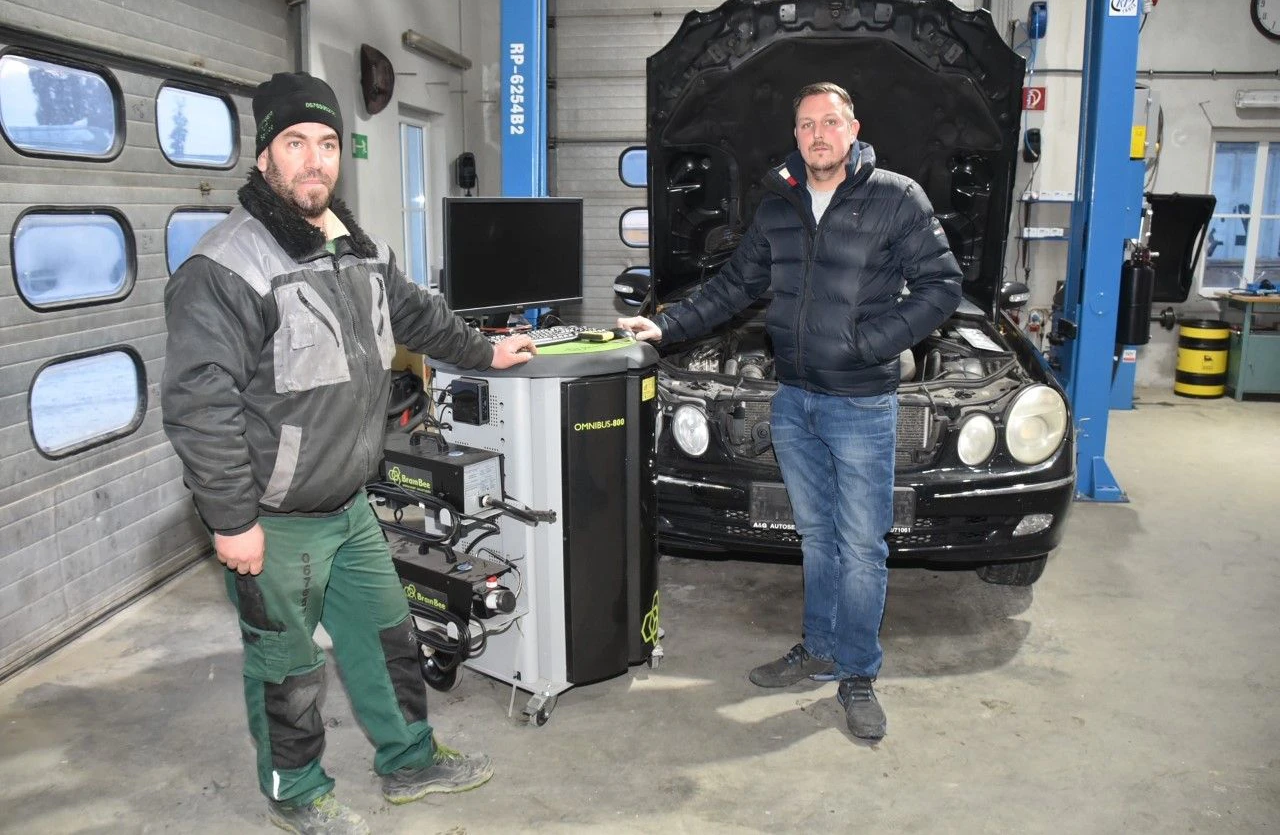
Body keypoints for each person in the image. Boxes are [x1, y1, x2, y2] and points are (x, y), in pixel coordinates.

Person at [161, 72, 535, 834]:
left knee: (388, 631)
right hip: (275, 513)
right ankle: (296, 794)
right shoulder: (226, 266)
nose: (314, 160)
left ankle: (409, 760)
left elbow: (417, 315)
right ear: (264, 156)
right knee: (289, 666)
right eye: (295, 143)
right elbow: (201, 407)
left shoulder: (352, 245)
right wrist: (232, 520)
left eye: (327, 144)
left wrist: (486, 351)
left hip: (347, 502)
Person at [619, 82, 962, 743]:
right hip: (796, 401)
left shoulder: (896, 198)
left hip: (862, 404)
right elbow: (733, 287)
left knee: (862, 547)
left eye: (829, 122)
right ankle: (820, 645)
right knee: (816, 539)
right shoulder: (779, 203)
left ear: (853, 127)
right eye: (806, 125)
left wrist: (873, 341)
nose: (818, 135)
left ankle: (857, 672)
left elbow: (943, 286)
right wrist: (665, 327)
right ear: (797, 135)